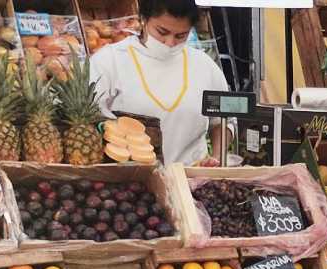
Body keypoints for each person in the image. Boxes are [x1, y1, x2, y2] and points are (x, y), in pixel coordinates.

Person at [90, 0, 232, 166]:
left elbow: (224, 121)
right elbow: (90, 120)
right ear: (143, 19)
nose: (170, 42)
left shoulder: (204, 66)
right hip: (131, 181)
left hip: (191, 181)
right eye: (162, 32)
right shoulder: (109, 61)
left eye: (181, 35)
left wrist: (216, 159)